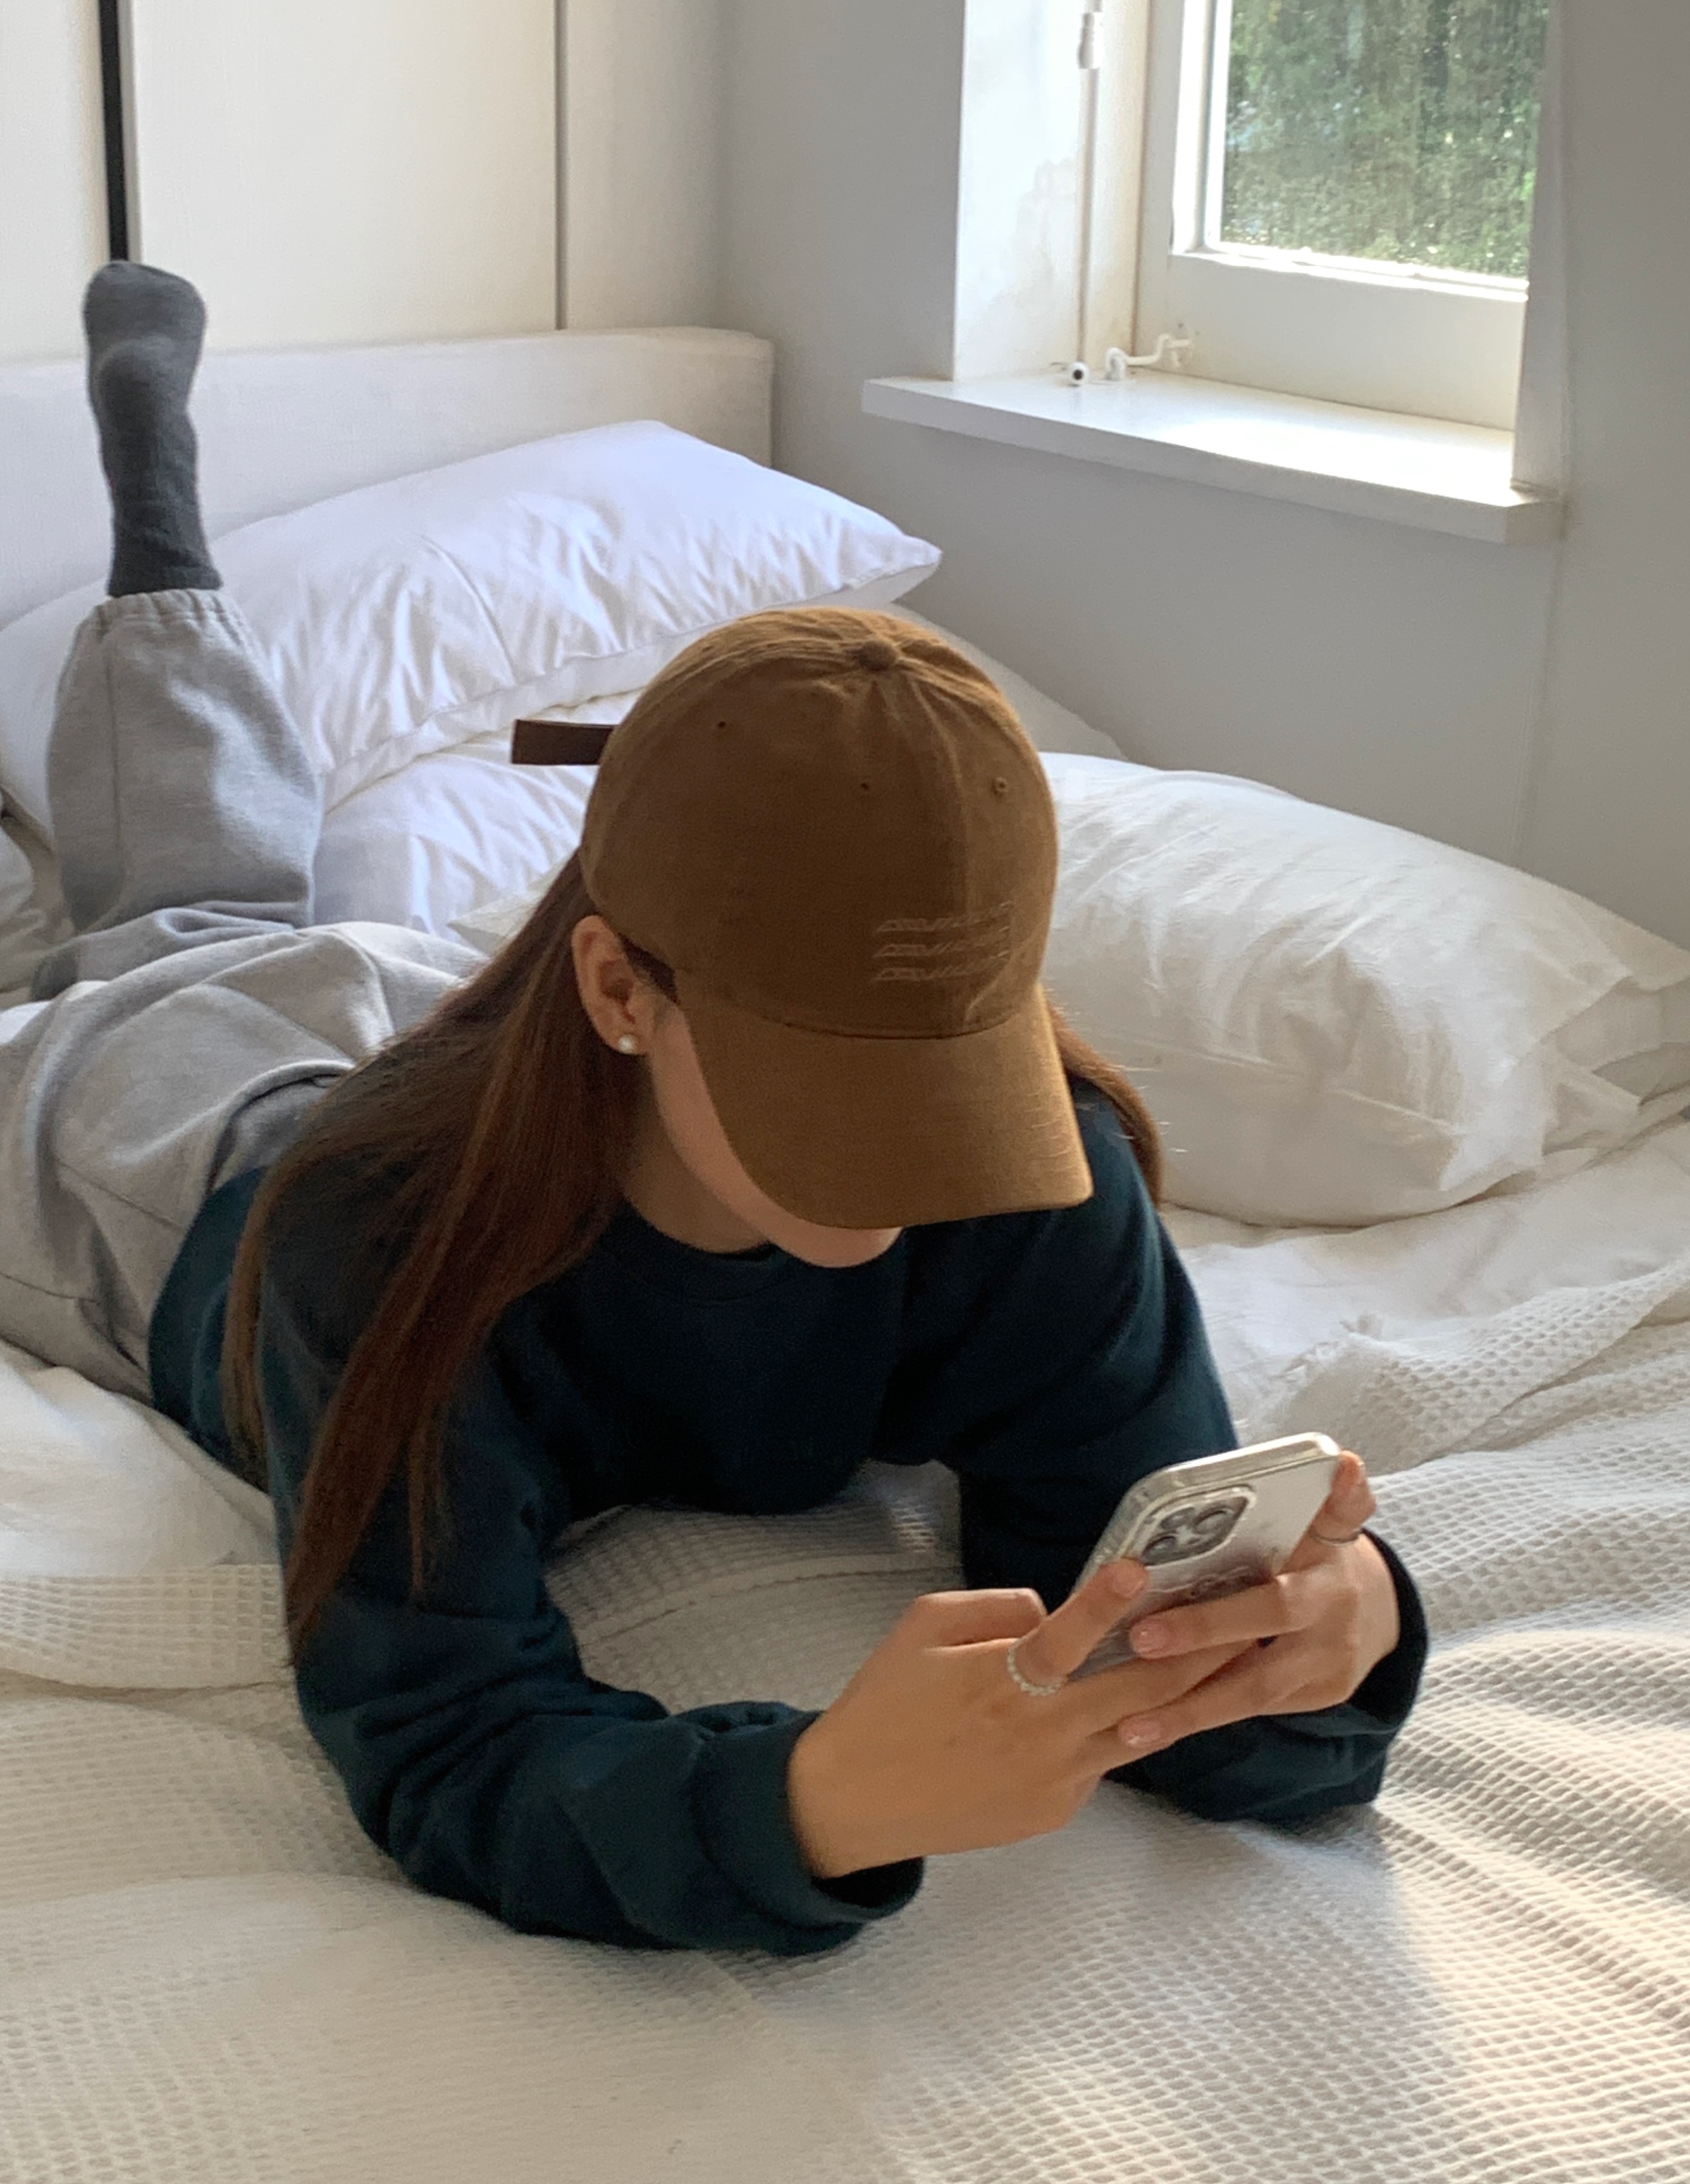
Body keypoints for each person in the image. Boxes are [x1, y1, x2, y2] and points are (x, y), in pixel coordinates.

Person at [0, 264, 1426, 1957]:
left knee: (251, 919)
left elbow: (1130, 1615)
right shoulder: (371, 1245)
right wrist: (805, 1805)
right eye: (828, 1086)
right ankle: (160, 546)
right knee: (172, 937)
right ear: (619, 988)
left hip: (455, 1038)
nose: (904, 1184)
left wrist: (1336, 1638)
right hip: (173, 1163)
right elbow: (447, 1737)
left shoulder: (1045, 1175)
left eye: (944, 1079)